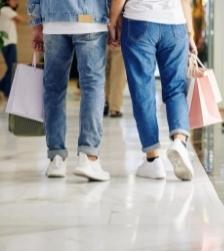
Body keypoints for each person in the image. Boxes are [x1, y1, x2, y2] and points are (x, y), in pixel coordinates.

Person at [109, 0, 197, 181]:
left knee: (143, 90)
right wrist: (190, 33)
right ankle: (179, 141)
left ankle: (153, 160)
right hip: (175, 23)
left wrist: (112, 22)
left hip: (139, 21)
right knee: (176, 88)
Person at [28, 0, 110, 181]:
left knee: (54, 90)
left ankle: (56, 158)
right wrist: (113, 16)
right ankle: (88, 157)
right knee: (92, 87)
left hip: (54, 19)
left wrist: (37, 22)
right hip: (91, 18)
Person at [0, 0, 24, 98]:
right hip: (8, 43)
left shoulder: (7, 11)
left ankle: (4, 88)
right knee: (12, 67)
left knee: (11, 67)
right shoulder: (5, 9)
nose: (16, 1)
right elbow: (20, 19)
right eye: (13, 0)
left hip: (9, 43)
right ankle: (5, 90)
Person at [104, 47, 126, 118]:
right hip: (120, 40)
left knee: (103, 71)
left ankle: (104, 102)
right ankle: (115, 107)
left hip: (100, 38)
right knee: (118, 72)